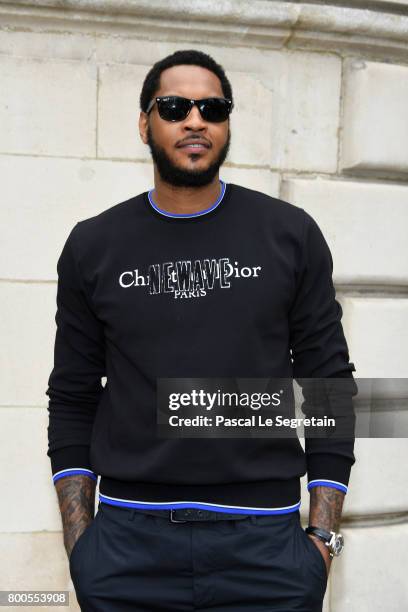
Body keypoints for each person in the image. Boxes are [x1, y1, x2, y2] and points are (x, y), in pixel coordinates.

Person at [46, 49, 357, 612]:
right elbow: (71, 393)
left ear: (227, 124)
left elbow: (328, 384)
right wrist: (81, 547)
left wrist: (322, 543)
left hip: (266, 547)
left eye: (212, 108)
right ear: (145, 124)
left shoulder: (290, 235)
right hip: (127, 549)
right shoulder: (94, 245)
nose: (195, 120)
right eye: (174, 107)